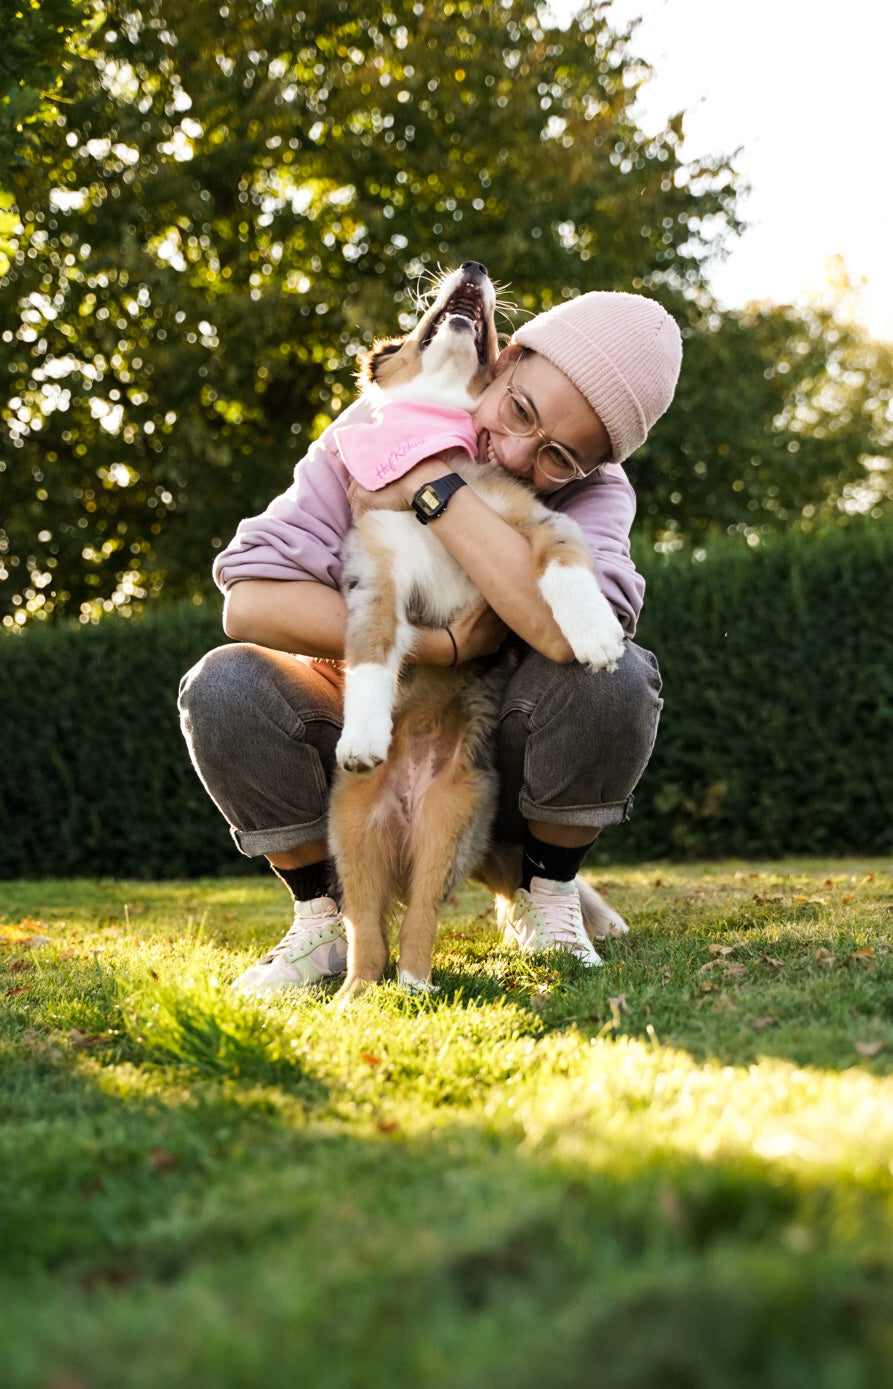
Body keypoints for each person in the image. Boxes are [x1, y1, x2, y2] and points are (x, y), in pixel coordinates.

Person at [178, 289, 682, 993]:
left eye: (559, 457)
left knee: (617, 675)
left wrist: (430, 484)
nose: (513, 451)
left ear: (592, 466)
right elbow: (249, 601)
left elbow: (573, 629)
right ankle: (324, 918)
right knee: (225, 683)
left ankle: (546, 891)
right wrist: (439, 644)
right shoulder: (377, 423)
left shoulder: (598, 492)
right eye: (519, 410)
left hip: (496, 743)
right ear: (502, 360)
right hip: (368, 727)